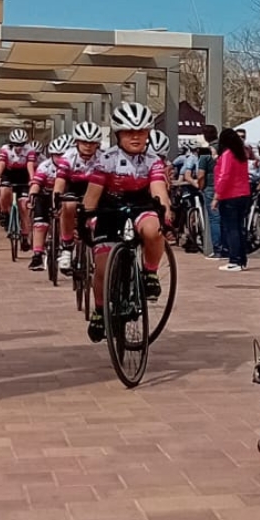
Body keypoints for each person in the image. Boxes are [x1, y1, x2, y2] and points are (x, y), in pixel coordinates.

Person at [80, 103, 169, 343]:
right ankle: (99, 310)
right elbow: (92, 195)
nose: (136, 136)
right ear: (118, 135)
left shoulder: (153, 161)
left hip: (141, 205)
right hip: (110, 209)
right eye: (130, 132)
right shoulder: (106, 159)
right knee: (101, 267)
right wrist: (84, 220)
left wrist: (166, 214)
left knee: (153, 229)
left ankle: (150, 273)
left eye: (141, 131)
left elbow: (159, 191)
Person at [53, 121, 104, 275]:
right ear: (76, 142)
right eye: (84, 142)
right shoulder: (68, 158)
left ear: (97, 144)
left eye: (92, 142)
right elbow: (59, 183)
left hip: (95, 188)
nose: (88, 146)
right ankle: (67, 247)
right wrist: (56, 202)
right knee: (68, 206)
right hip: (73, 187)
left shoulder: (103, 158)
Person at [26, 134, 72, 271]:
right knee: (40, 224)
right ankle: (37, 256)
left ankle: (67, 251)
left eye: (62, 155)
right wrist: (32, 195)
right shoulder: (45, 166)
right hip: (45, 196)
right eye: (56, 155)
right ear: (51, 155)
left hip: (63, 196)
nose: (59, 158)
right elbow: (36, 183)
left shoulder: (72, 165)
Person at [212, 128, 251, 272]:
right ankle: (241, 259)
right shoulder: (241, 155)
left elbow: (224, 176)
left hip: (230, 195)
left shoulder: (227, 154)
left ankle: (234, 259)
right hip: (244, 194)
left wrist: (217, 196)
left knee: (231, 228)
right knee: (239, 228)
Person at [0, 127, 37, 246]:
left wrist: (32, 179)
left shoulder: (30, 150)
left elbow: (30, 165)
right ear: (11, 143)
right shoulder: (5, 149)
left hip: (23, 175)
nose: (18, 147)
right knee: (4, 191)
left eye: (21, 144)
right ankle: (5, 213)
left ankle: (25, 236)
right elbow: (1, 164)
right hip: (9, 173)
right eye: (16, 144)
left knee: (24, 207)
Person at [199, 125, 223, 258]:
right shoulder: (224, 147)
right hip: (224, 187)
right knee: (224, 218)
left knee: (214, 219)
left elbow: (201, 174)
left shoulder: (205, 152)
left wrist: (200, 186)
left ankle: (217, 249)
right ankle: (226, 248)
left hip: (210, 187)